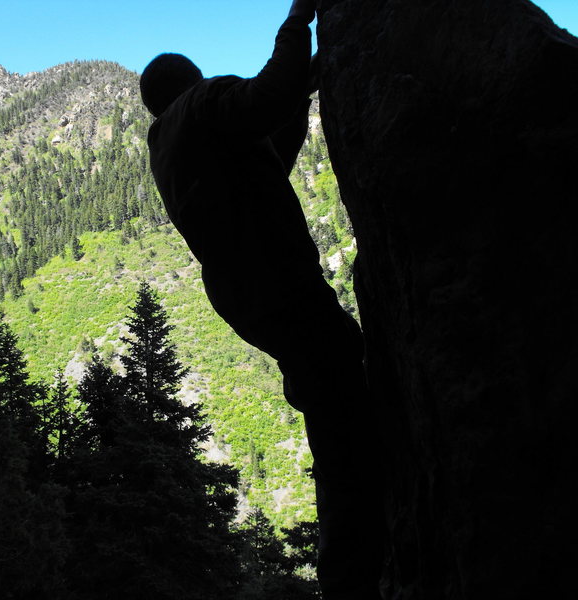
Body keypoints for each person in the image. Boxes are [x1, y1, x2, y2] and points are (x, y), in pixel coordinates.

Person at [141, 0, 383, 598]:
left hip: (246, 295)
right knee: (348, 394)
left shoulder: (172, 147)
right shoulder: (200, 107)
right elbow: (264, 101)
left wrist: (301, 86)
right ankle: (359, 563)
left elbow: (271, 145)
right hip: (278, 279)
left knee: (328, 395)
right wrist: (296, 22)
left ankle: (348, 563)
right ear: (191, 81)